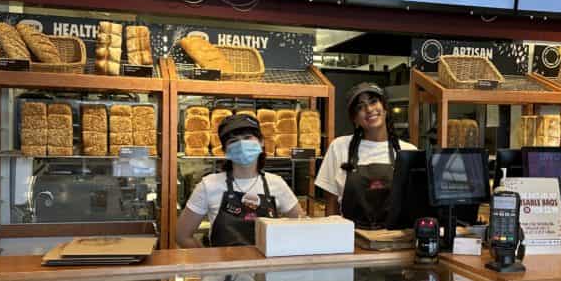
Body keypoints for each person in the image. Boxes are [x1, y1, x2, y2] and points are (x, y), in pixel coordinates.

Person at [177, 114, 302, 247]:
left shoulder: (277, 183)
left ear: (261, 142)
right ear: (225, 150)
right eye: (233, 141)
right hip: (225, 266)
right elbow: (182, 235)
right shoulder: (208, 185)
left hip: (266, 267)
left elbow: (302, 226)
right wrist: (210, 262)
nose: (241, 144)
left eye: (247, 138)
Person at [315, 82, 416, 228]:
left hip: (395, 242)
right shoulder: (339, 147)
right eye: (360, 107)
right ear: (355, 119)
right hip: (352, 242)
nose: (369, 109)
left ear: (385, 108)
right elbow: (331, 205)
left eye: (373, 102)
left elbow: (413, 206)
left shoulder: (408, 151)